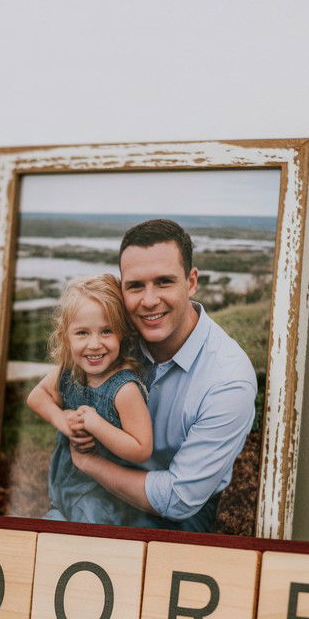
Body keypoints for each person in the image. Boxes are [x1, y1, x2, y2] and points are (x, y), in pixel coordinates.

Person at [70, 218, 257, 533]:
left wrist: (88, 464)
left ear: (192, 282)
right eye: (135, 285)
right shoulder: (112, 338)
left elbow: (178, 499)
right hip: (99, 489)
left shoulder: (228, 380)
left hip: (175, 517)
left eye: (164, 282)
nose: (149, 300)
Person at [26, 273, 152, 524]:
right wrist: (61, 419)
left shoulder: (124, 389)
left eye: (106, 331)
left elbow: (141, 448)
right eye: (82, 333)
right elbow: (36, 396)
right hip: (65, 484)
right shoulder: (70, 372)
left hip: (104, 500)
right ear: (66, 336)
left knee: (85, 544)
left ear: (122, 335)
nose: (94, 344)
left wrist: (97, 424)